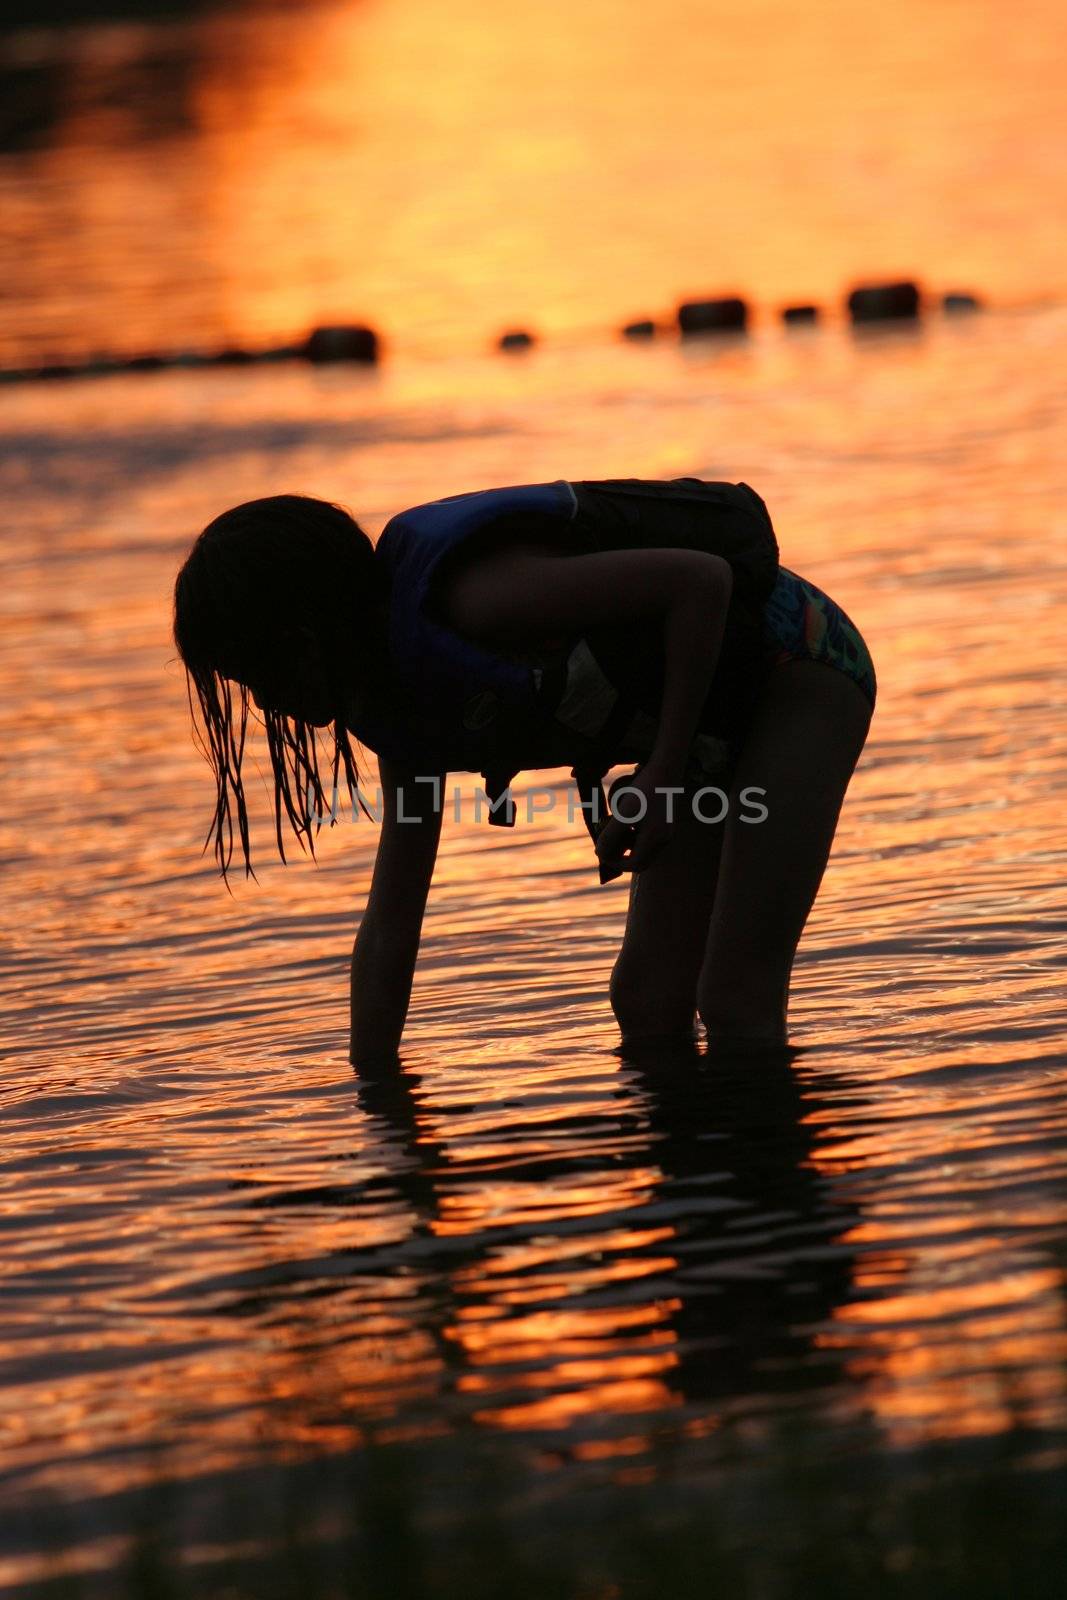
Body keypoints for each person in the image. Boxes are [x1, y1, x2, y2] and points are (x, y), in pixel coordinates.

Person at [172, 477, 877, 1061]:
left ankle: (778, 1216)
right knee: (647, 1002)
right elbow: (390, 926)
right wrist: (375, 1095)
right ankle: (705, 1214)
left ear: (308, 630)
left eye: (260, 672)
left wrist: (660, 773)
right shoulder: (401, 714)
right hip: (701, 724)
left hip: (795, 666)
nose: (265, 702)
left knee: (734, 995)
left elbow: (699, 581)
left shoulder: (476, 600)